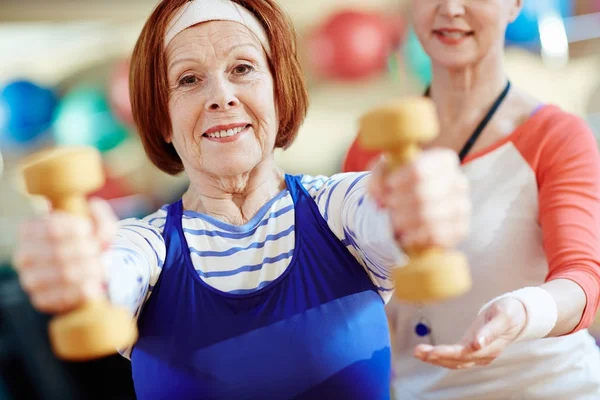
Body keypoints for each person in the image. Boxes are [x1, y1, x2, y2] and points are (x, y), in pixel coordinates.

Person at [12, 0, 470, 399]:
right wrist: (78, 265)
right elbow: (109, 271)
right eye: (189, 79)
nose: (222, 96)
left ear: (278, 92)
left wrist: (420, 201)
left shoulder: (338, 209)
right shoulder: (146, 246)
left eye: (243, 69)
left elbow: (390, 215)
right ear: (164, 120)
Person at [343, 1, 600, 399]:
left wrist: (523, 311)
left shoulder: (558, 137)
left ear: (515, 5)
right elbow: (353, 301)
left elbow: (583, 279)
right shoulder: (371, 151)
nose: (450, 8)